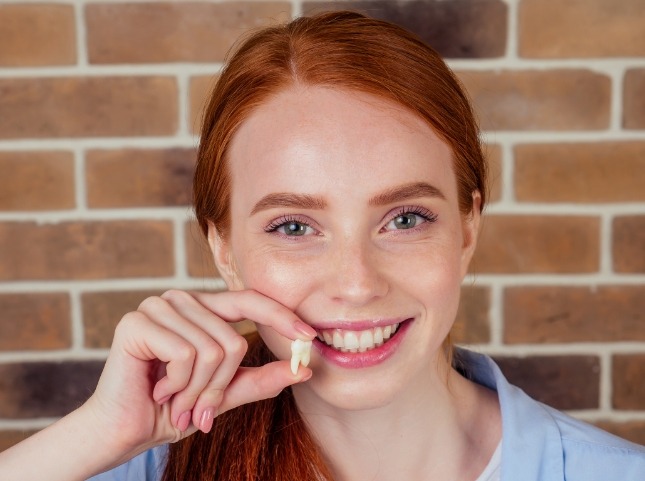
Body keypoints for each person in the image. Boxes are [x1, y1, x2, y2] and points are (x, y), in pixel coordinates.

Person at [0, 10, 643, 481]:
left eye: (406, 218)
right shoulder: (141, 466)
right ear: (223, 248)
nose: (357, 282)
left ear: (468, 227)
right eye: (293, 227)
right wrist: (96, 436)